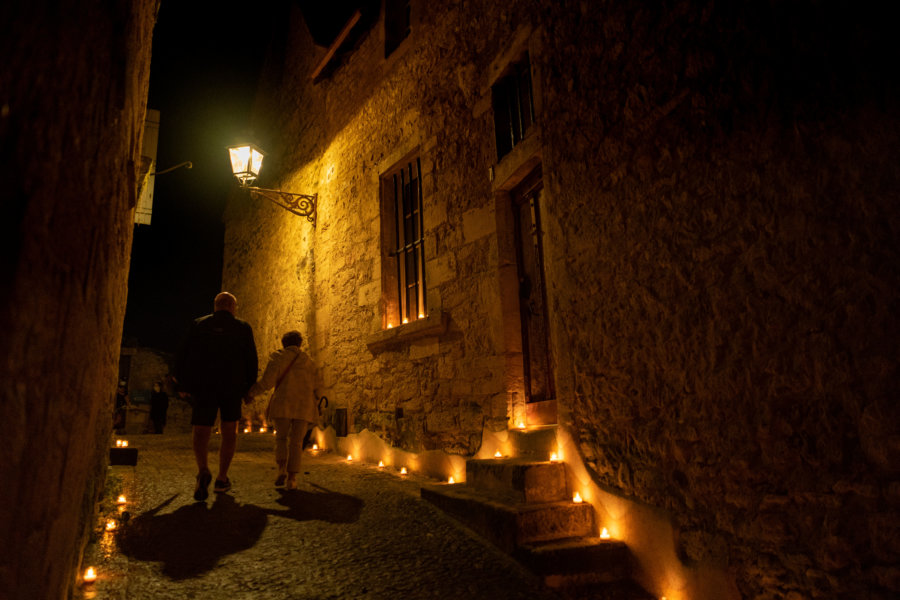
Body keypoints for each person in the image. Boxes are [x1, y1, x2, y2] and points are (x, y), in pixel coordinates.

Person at [175, 292, 258, 501]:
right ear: (232, 306)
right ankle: (222, 478)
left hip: (204, 386)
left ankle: (203, 469)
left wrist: (183, 384)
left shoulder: (199, 325)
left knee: (201, 430)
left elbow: (183, 355)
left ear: (216, 306)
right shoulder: (243, 327)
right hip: (232, 387)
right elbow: (251, 360)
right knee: (230, 430)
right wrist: (248, 389)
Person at [248, 330, 318, 490]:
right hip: (304, 407)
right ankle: (292, 478)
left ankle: (281, 470)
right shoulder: (309, 362)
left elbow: (267, 382)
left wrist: (251, 393)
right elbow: (318, 387)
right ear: (299, 344)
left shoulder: (277, 358)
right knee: (296, 442)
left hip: (283, 404)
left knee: (280, 439)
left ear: (284, 343)